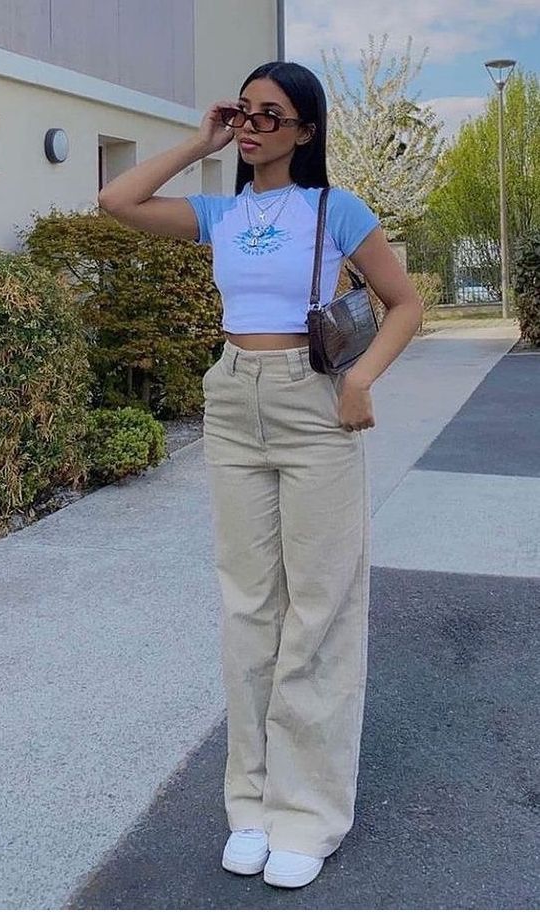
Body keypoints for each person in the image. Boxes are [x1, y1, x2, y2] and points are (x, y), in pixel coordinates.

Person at [98, 60, 422, 890]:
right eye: (241, 112)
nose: (250, 126)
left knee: (318, 607)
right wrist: (198, 142)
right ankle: (250, 803)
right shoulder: (220, 212)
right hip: (233, 398)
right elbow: (117, 202)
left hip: (312, 405)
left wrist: (357, 382)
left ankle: (306, 814)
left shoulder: (333, 208)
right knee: (249, 606)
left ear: (305, 130)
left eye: (268, 116)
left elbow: (403, 303)